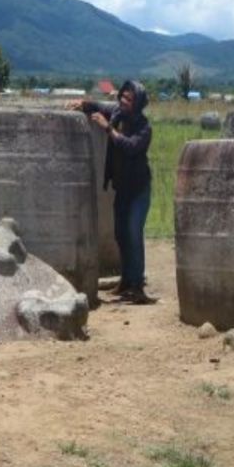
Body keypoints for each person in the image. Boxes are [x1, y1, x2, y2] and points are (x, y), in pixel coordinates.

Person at [70, 81, 155, 304]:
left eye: (129, 99)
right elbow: (99, 106)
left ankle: (137, 287)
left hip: (139, 190)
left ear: (138, 104)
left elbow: (130, 146)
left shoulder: (144, 128)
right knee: (120, 234)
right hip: (122, 188)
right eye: (123, 97)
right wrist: (84, 104)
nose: (124, 101)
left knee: (133, 234)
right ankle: (126, 282)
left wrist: (107, 128)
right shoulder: (117, 112)